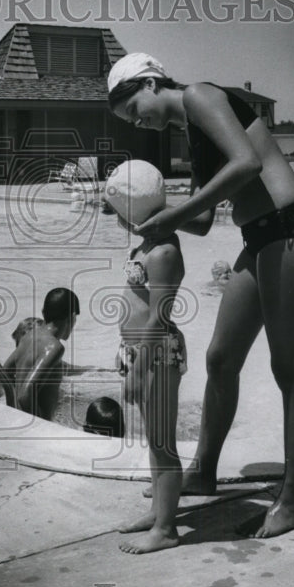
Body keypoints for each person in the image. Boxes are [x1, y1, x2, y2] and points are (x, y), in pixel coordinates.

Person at [107, 52, 294, 539]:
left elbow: (248, 164)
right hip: (260, 241)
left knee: (289, 369)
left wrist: (172, 215)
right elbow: (205, 221)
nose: (139, 124)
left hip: (291, 231)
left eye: (133, 111)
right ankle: (204, 471)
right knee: (220, 357)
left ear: (149, 82)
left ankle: (293, 500)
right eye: (129, 122)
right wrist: (148, 215)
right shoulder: (193, 131)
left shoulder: (198, 94)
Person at [104, 159, 186, 555]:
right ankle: (158, 511)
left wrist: (137, 370)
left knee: (163, 444)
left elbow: (158, 316)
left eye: (122, 213)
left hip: (157, 355)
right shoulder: (146, 243)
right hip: (140, 352)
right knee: (153, 442)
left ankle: (168, 528)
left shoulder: (164, 252)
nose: (120, 222)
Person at [0, 288, 79, 420]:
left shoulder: (29, 335)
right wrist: (38, 426)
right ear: (72, 317)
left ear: (43, 312)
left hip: (17, 418)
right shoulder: (54, 347)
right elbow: (25, 394)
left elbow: (5, 373)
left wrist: (13, 411)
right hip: (36, 427)